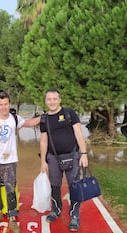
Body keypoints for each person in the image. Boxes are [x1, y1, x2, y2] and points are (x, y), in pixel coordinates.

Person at [0, 91, 40, 233]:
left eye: (6, 104)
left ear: (9, 104)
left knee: (10, 189)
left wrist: (45, 117)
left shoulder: (14, 118)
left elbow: (30, 123)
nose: (4, 107)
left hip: (10, 161)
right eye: (1, 104)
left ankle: (12, 218)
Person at [39, 88, 88, 231]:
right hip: (53, 158)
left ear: (59, 100)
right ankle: (56, 210)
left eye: (55, 99)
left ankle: (74, 215)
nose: (52, 102)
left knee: (75, 186)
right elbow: (43, 141)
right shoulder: (44, 119)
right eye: (49, 99)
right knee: (55, 186)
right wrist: (43, 161)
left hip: (72, 156)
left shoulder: (69, 113)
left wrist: (84, 154)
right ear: (46, 101)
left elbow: (79, 134)